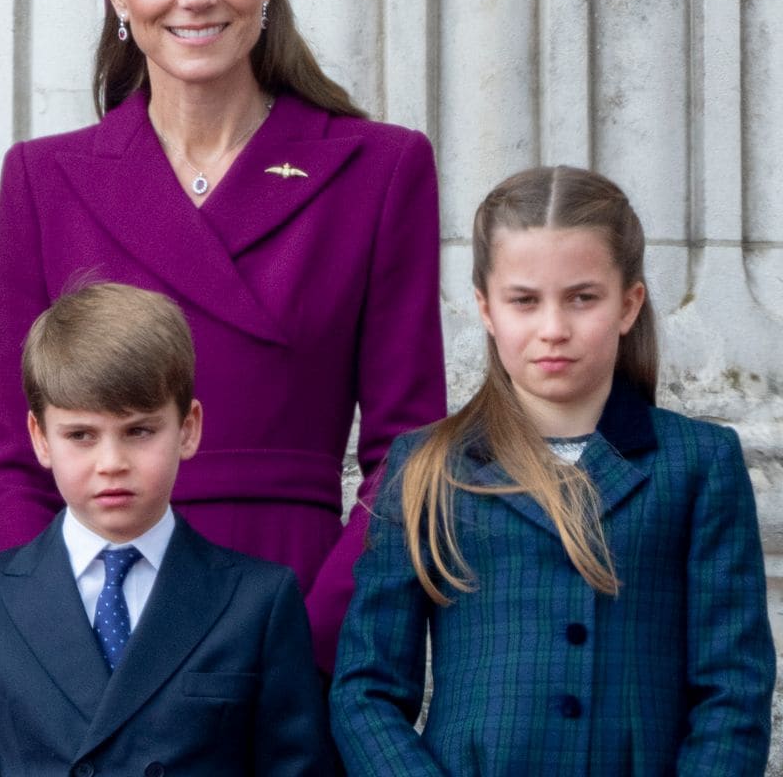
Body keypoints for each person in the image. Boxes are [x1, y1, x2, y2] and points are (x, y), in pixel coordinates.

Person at [0, 0, 446, 668]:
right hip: (104, 630)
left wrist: (309, 636)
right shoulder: (45, 181)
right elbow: (18, 457)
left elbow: (406, 455)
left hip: (294, 609)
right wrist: (51, 641)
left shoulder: (379, 170)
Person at [331, 166, 774, 774]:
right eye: (524, 301)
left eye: (582, 298)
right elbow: (366, 690)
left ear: (629, 303)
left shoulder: (698, 463)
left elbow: (733, 687)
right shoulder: (426, 467)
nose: (553, 330)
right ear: (486, 309)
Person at [0, 283, 335, 776]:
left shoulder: (259, 601)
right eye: (80, 436)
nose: (111, 463)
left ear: (188, 428)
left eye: (139, 431)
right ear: (40, 438)